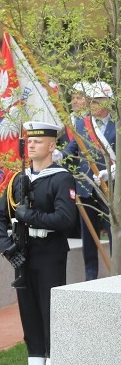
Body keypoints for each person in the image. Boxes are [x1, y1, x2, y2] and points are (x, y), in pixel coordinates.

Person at [0, 121, 77, 365]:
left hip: (50, 252)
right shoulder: (17, 179)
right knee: (28, 310)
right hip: (24, 252)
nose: (31, 145)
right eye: (29, 141)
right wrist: (8, 248)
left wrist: (32, 217)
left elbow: (66, 218)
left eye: (38, 141)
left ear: (52, 145)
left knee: (49, 311)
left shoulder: (61, 178)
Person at [63, 81, 115, 281]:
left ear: (107, 102)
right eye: (90, 100)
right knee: (89, 235)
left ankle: (116, 272)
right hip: (85, 187)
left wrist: (110, 171)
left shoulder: (116, 127)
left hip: (109, 188)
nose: (92, 104)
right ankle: (90, 275)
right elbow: (72, 148)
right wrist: (62, 156)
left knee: (113, 233)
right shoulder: (81, 124)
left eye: (97, 101)